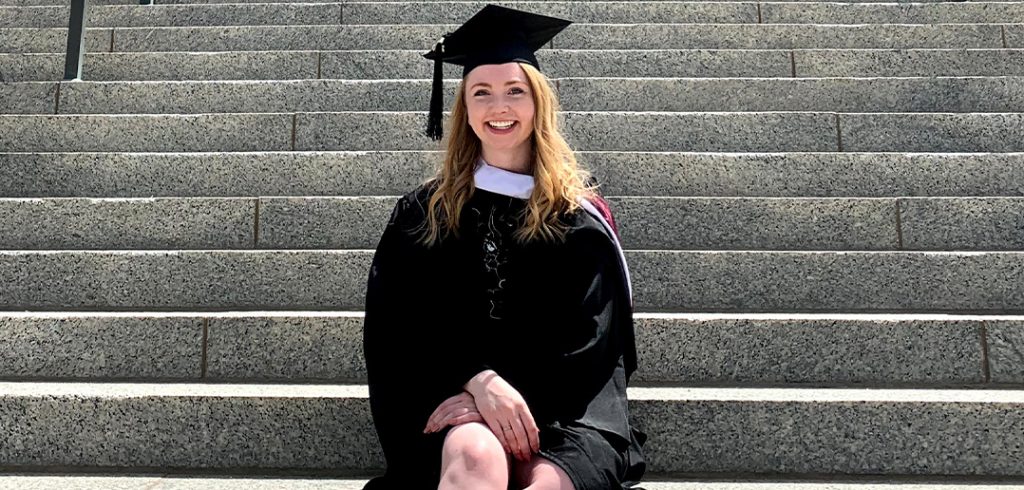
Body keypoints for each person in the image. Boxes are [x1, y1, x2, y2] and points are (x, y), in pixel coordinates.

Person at [361, 5, 647, 489]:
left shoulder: (576, 216)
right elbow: (396, 326)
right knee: (475, 456)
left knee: (548, 483)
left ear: (538, 103)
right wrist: (477, 384)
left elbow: (595, 344)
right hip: (452, 402)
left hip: (568, 413)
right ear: (465, 110)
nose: (500, 107)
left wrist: (510, 402)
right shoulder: (423, 214)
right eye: (482, 93)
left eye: (515, 91)